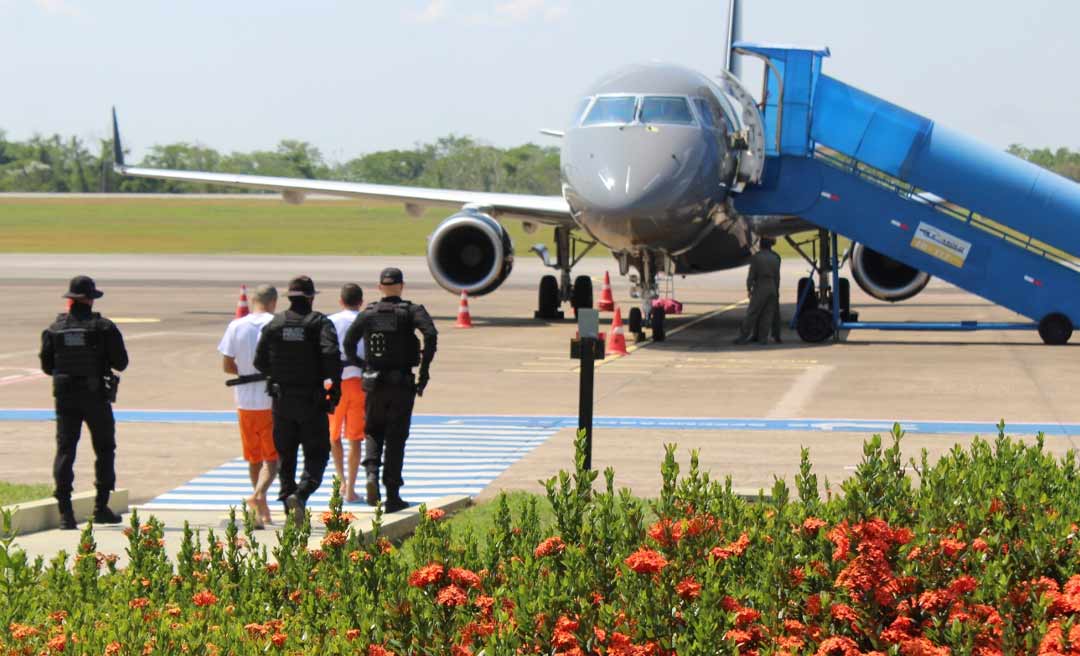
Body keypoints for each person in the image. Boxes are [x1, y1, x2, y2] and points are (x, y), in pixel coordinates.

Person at [344, 267, 437, 513]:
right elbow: (430, 333)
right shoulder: (411, 312)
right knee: (396, 437)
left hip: (374, 383)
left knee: (373, 431)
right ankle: (392, 494)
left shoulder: (369, 313)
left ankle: (371, 474)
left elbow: (348, 342)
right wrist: (424, 370)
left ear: (379, 287)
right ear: (401, 286)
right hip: (401, 383)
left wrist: (363, 366)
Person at [39, 275, 129, 530]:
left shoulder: (55, 329)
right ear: (90, 299)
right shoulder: (103, 328)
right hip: (95, 396)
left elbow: (47, 366)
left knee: (66, 449)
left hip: (65, 397)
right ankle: (101, 507)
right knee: (104, 449)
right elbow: (121, 362)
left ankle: (65, 513)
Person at [253, 276, 342, 527]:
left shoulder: (276, 324)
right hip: (311, 400)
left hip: (282, 401)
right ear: (311, 298)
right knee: (318, 454)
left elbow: (260, 361)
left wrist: (278, 374)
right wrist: (333, 389)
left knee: (286, 456)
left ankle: (289, 505)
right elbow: (331, 355)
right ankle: (300, 494)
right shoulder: (319, 323)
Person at [218, 284, 279, 527]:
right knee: (273, 459)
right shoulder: (275, 324)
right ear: (273, 302)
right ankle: (259, 496)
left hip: (244, 401)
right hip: (270, 399)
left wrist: (245, 373)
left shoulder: (236, 325)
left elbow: (227, 364)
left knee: (253, 458)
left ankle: (260, 510)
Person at [327, 283, 366, 503]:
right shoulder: (365, 321)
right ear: (360, 302)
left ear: (341, 301)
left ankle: (341, 480)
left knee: (334, 435)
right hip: (358, 383)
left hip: (334, 383)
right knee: (355, 438)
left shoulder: (330, 321)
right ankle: (351, 487)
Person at [734, 237, 781, 345]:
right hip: (772, 286)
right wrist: (776, 290)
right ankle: (763, 338)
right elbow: (778, 277)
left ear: (761, 245)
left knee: (752, 313)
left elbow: (751, 275)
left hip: (761, 286)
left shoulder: (756, 258)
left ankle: (743, 337)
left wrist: (749, 288)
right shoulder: (776, 257)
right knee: (768, 314)